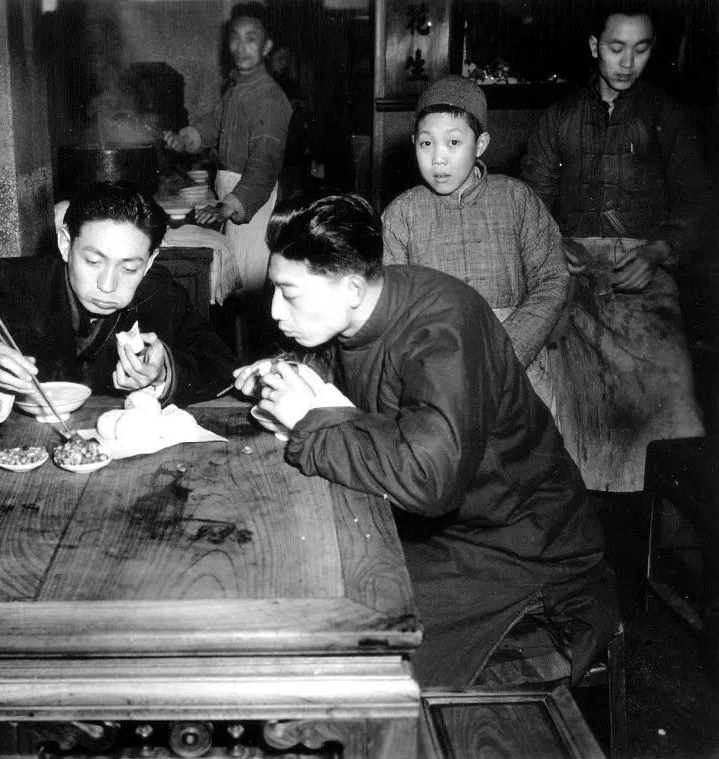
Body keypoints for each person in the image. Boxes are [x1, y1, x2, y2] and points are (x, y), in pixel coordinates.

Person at [233, 194, 619, 687]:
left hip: (515, 550)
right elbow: (353, 372)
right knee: (290, 583)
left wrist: (309, 426)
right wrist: (292, 371)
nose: (274, 310)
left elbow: (430, 483)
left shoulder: (444, 325)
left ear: (351, 287)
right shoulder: (363, 305)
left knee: (335, 645)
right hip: (441, 533)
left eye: (290, 294)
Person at [520, 3, 707, 493]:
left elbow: (697, 203)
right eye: (616, 48)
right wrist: (554, 243)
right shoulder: (560, 117)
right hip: (571, 285)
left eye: (641, 49)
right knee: (556, 397)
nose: (628, 61)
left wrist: (657, 252)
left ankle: (651, 531)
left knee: (667, 409)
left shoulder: (668, 115)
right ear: (593, 47)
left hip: (644, 281)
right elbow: (530, 201)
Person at [0, 181, 237, 431]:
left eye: (129, 267)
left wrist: (166, 374)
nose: (108, 285)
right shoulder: (10, 285)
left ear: (149, 262)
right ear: (66, 245)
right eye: (94, 261)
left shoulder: (163, 297)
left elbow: (221, 363)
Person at [383, 75, 568, 415]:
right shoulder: (401, 214)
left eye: (453, 143)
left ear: (480, 144)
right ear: (413, 142)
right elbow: (392, 306)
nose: (438, 159)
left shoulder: (517, 199)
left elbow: (552, 280)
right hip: (439, 375)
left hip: (519, 369)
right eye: (426, 144)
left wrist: (506, 351)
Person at [163, 2, 292, 292]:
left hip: (253, 204)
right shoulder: (238, 87)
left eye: (251, 39)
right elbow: (215, 123)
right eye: (235, 37)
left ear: (267, 46)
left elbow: (264, 165)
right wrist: (187, 138)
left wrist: (228, 207)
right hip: (234, 198)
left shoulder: (269, 98)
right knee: (236, 288)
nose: (240, 47)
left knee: (249, 290)